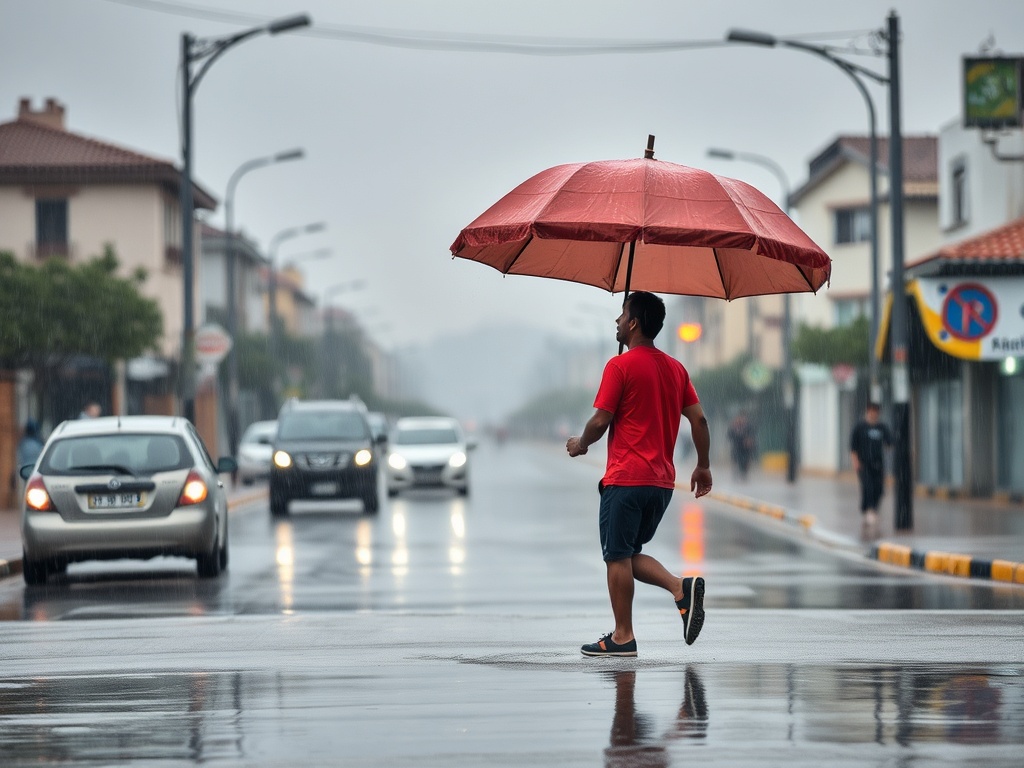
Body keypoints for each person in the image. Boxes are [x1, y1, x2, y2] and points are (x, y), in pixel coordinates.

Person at [566, 291, 712, 658]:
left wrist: (581, 443)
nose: (616, 321)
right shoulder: (676, 369)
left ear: (633, 323)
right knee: (628, 553)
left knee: (616, 557)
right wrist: (703, 465)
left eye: (621, 315)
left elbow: (600, 420)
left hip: (626, 479)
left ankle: (622, 636)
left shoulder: (619, 367)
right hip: (661, 484)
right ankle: (680, 588)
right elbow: (699, 420)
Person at [850, 402, 893, 536]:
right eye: (871, 411)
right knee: (867, 487)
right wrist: (856, 462)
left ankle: (873, 509)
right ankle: (868, 510)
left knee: (878, 489)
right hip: (864, 464)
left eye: (876, 412)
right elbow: (853, 447)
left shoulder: (882, 427)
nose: (874, 414)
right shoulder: (860, 427)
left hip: (878, 464)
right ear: (867, 411)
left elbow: (889, 442)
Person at [727, 412, 756, 480]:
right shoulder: (733, 427)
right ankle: (736, 474)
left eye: (743, 419)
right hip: (736, 448)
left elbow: (752, 436)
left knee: (745, 462)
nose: (741, 420)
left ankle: (744, 475)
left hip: (746, 449)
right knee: (736, 461)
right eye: (739, 419)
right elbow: (729, 436)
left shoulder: (749, 427)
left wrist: (749, 440)